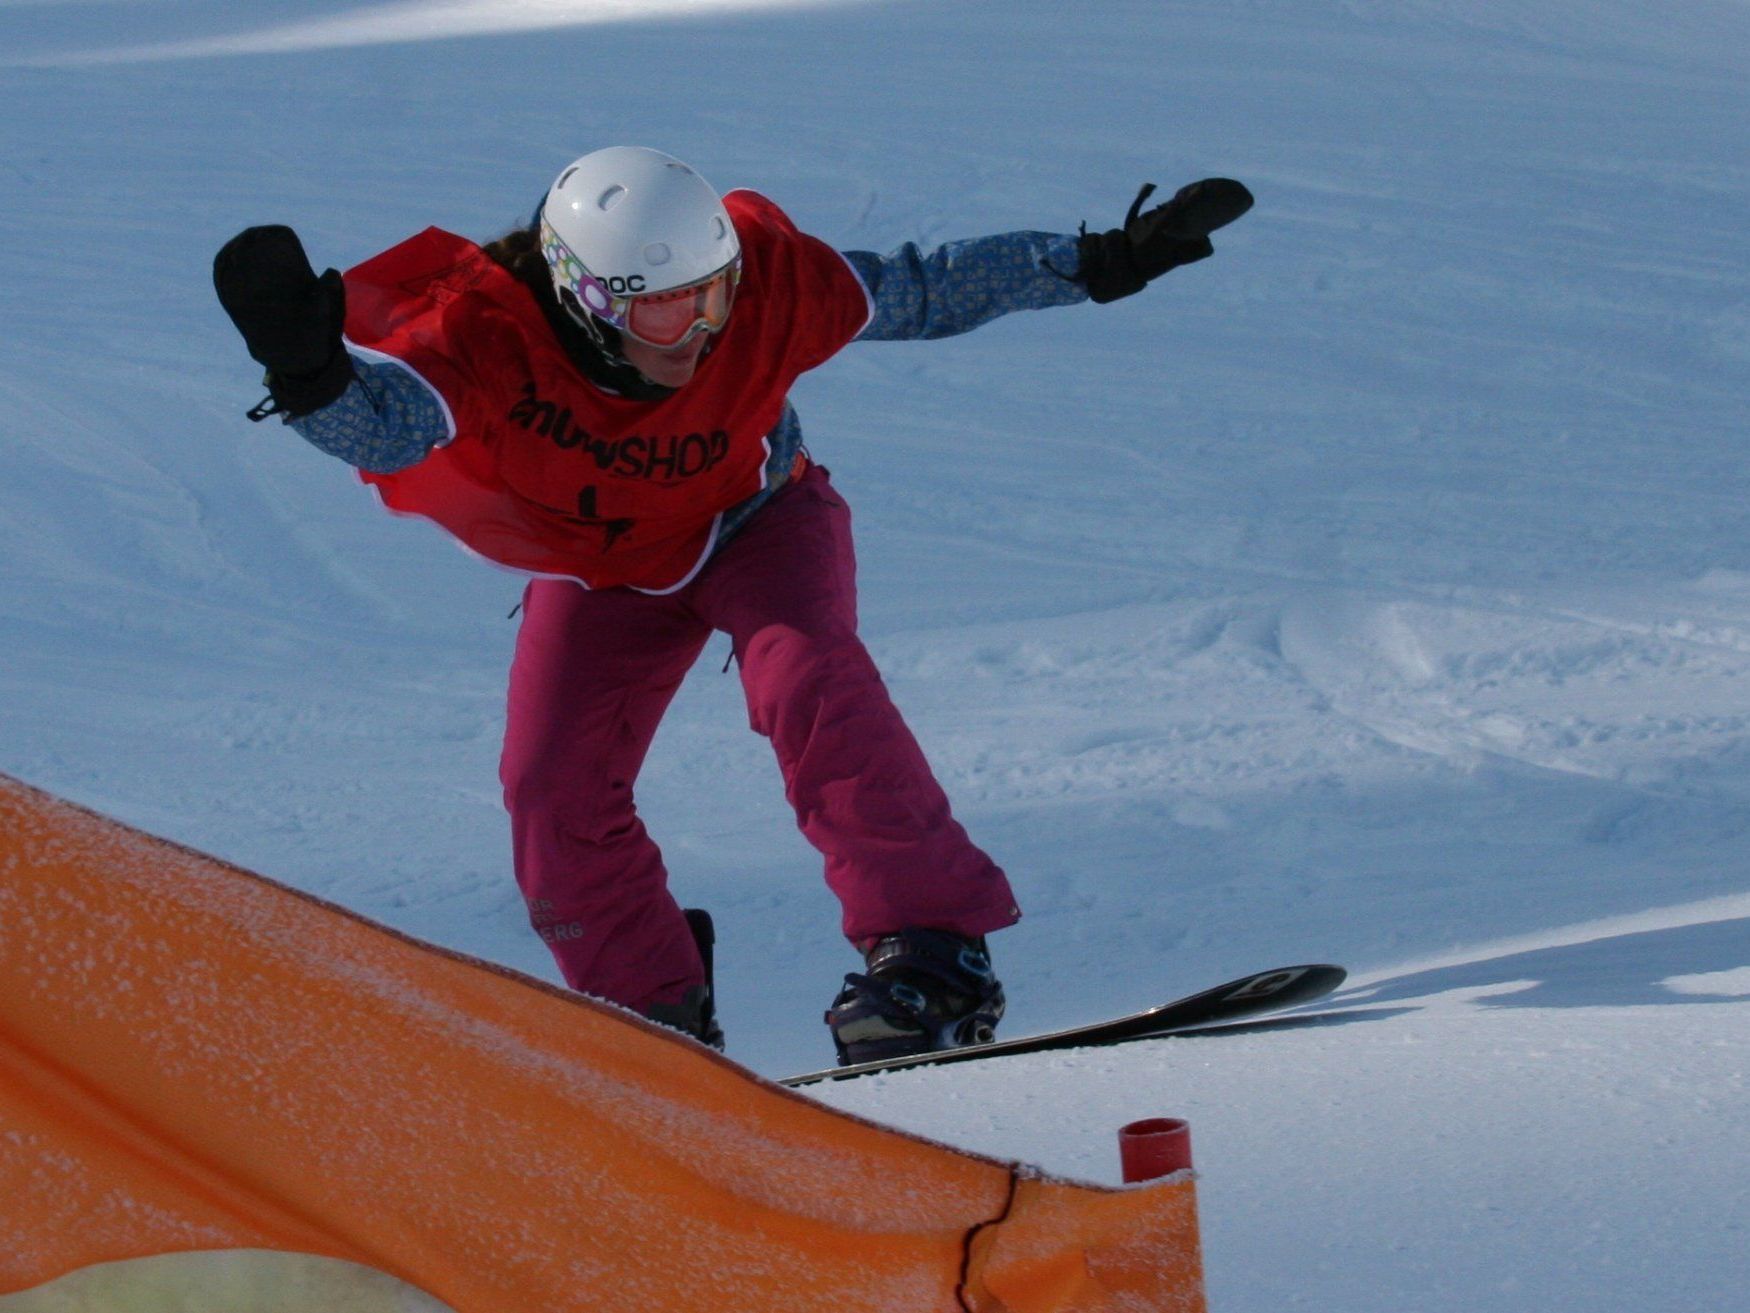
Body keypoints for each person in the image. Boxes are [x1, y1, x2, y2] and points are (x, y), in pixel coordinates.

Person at [213, 146, 1252, 1063]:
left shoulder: (763, 292)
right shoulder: (490, 332)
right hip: (605, 570)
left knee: (807, 677)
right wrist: (308, 374)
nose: (701, 328)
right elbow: (391, 430)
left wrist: (1102, 261)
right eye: (665, 306)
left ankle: (931, 953)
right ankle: (647, 1012)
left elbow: (925, 289)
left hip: (759, 520)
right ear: (585, 295)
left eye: (710, 293)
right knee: (550, 786)